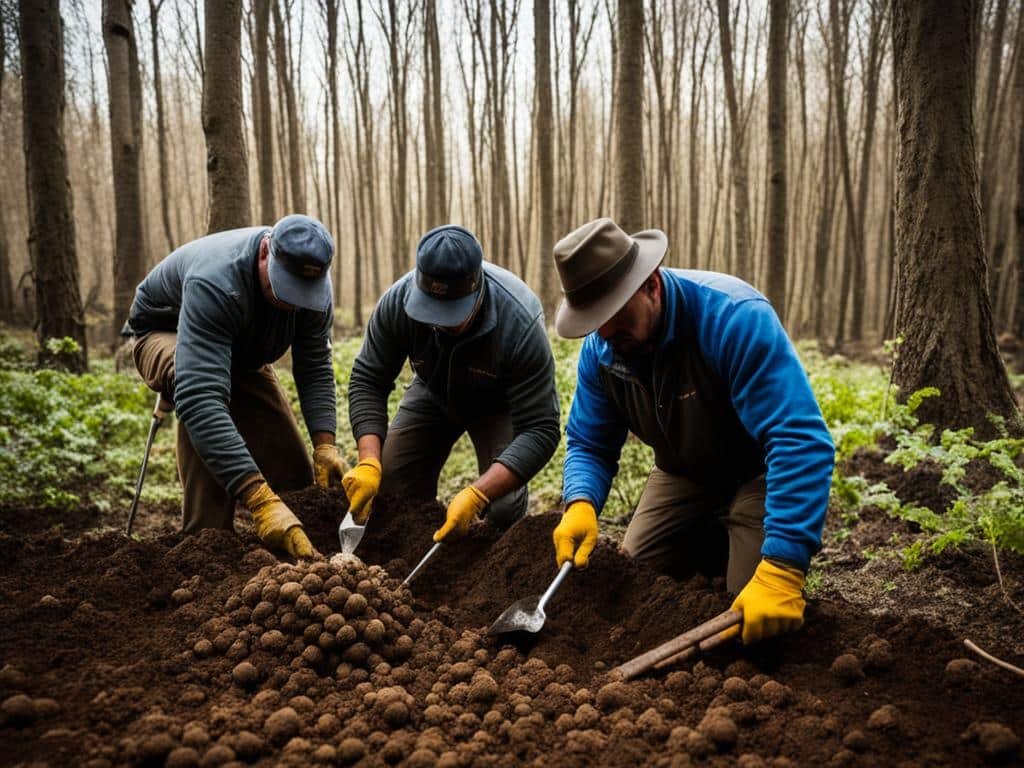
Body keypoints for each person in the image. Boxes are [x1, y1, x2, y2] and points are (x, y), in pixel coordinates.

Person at [549, 218, 835, 644]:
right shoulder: (603, 350)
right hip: (681, 473)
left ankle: (743, 542)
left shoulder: (734, 318)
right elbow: (590, 442)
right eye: (595, 321)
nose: (606, 332)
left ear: (652, 284)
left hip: (756, 473)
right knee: (633, 579)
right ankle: (714, 539)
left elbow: (799, 441)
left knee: (749, 620)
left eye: (616, 314)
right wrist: (580, 501)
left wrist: (783, 567)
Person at [125, 215, 348, 558]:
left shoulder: (314, 287)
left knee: (294, 471)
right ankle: (206, 541)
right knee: (200, 395)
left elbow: (314, 363)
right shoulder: (215, 279)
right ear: (264, 252)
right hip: (165, 333)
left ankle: (301, 540)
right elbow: (200, 398)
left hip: (242, 351)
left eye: (301, 294)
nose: (291, 302)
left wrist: (324, 444)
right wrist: (258, 500)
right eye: (283, 288)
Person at [344, 224, 560, 542]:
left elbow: (542, 428)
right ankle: (413, 550)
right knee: (391, 486)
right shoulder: (397, 303)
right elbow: (368, 379)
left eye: (451, 314)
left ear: (477, 291)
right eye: (430, 311)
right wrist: (368, 462)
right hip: (432, 390)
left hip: (498, 405)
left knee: (501, 509)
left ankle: (484, 568)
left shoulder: (519, 323)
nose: (438, 322)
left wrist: (478, 494)